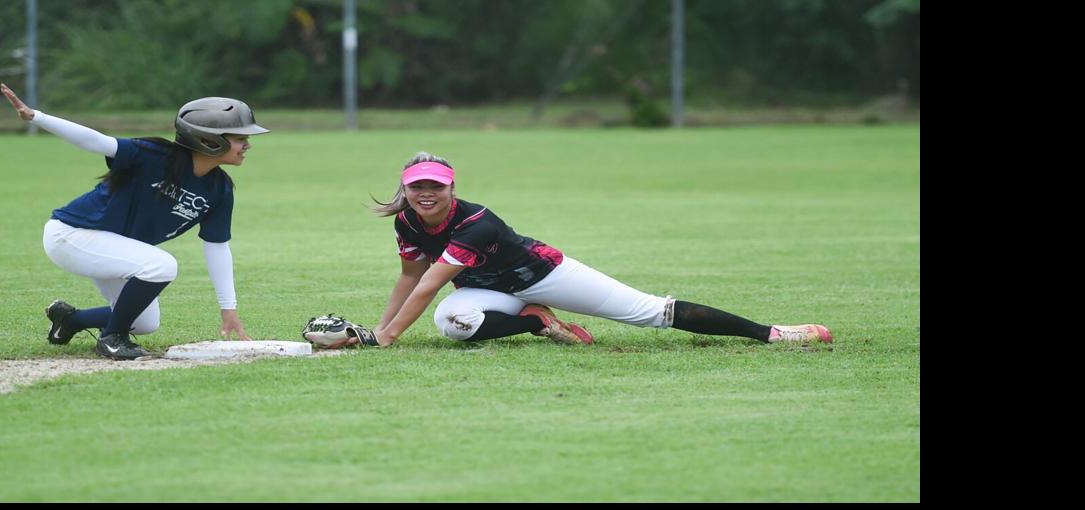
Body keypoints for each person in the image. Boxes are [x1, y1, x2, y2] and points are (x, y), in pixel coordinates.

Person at [304, 153, 833, 350]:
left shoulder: (475, 220)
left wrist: (387, 339)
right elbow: (407, 278)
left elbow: (430, 282)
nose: (426, 194)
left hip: (544, 274)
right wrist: (379, 328)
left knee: (651, 313)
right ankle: (538, 325)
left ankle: (773, 333)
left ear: (451, 187)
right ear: (406, 188)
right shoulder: (406, 220)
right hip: (494, 293)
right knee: (456, 325)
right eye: (417, 186)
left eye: (435, 186)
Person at [0, 84, 263, 360]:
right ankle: (112, 339)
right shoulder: (154, 155)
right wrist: (37, 117)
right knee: (162, 265)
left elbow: (217, 247)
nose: (247, 144)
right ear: (209, 140)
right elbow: (95, 141)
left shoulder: (219, 189)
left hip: (112, 245)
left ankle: (70, 321)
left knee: (144, 322)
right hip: (72, 235)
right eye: (239, 137)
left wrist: (228, 309)